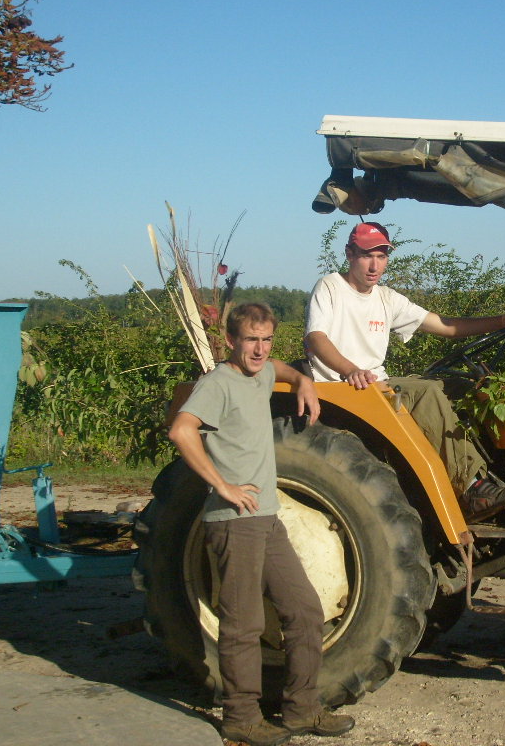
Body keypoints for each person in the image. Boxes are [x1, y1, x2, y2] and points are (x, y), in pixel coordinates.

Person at [168, 302, 354, 746]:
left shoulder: (263, 372)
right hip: (234, 522)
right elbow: (181, 431)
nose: (259, 348)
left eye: (266, 339)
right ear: (231, 340)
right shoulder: (218, 383)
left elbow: (279, 368)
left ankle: (301, 709)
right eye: (251, 339)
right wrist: (222, 486)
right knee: (243, 624)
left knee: (305, 611)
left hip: (267, 520)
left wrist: (305, 380)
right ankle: (241, 718)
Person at [304, 222, 505, 520]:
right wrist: (350, 369)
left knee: (462, 388)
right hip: (341, 387)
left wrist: (502, 320)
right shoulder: (331, 286)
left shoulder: (386, 298)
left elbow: (446, 326)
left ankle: (489, 475)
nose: (375, 265)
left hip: (375, 384)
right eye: (366, 255)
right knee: (426, 391)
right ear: (349, 254)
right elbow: (315, 337)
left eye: (382, 256)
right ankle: (472, 488)